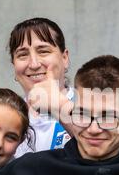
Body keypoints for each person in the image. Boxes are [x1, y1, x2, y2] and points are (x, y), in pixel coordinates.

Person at [8, 17, 75, 157]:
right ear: (14, 65)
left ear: (65, 58)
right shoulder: (6, 115)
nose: (34, 64)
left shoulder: (95, 104)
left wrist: (59, 105)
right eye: (22, 54)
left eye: (43, 51)